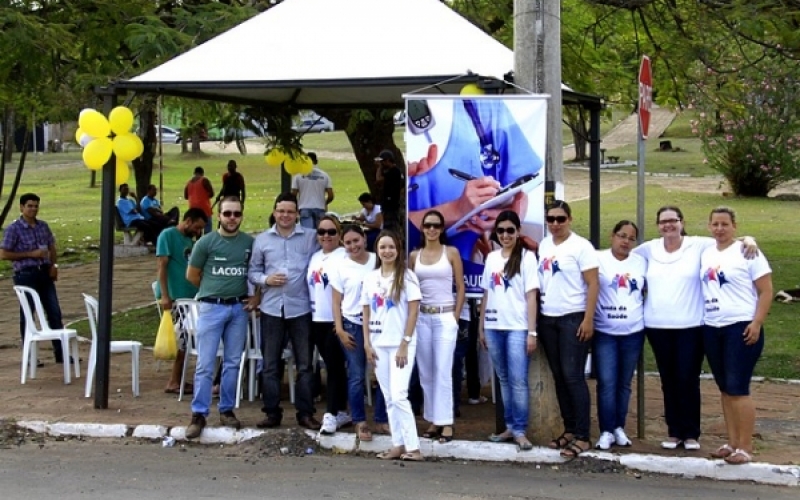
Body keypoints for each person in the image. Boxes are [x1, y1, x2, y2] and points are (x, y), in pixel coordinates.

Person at [633, 205, 757, 451]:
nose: (668, 225)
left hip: (692, 325)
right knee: (668, 380)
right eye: (663, 221)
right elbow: (620, 253)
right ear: (658, 225)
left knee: (688, 379)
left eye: (673, 220)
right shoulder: (648, 249)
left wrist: (749, 239)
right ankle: (674, 432)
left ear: (682, 222)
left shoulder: (698, 245)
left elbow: (726, 238)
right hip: (657, 326)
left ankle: (690, 433)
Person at [700, 207, 772, 464]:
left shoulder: (748, 252)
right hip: (712, 326)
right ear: (709, 227)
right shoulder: (706, 252)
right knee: (725, 389)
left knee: (738, 387)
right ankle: (731, 442)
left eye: (725, 224)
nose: (720, 229)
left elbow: (765, 291)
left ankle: (746, 446)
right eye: (715, 224)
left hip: (739, 326)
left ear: (734, 226)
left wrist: (757, 322)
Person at [185, 197, 257, 439]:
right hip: (211, 307)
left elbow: (256, 272)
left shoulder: (249, 242)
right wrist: (213, 290)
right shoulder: (206, 243)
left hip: (238, 308)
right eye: (227, 214)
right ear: (218, 215)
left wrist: (254, 296)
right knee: (205, 364)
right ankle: (199, 413)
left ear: (242, 216)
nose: (232, 218)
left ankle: (227, 409)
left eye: (236, 214)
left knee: (233, 362)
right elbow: (193, 275)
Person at [248, 192, 321, 430]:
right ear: (274, 212)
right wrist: (267, 280)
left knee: (305, 364)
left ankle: (305, 413)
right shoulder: (262, 240)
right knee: (270, 364)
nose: (285, 215)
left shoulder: (311, 238)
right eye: (281, 211)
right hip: (271, 308)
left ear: (297, 214)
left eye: (290, 211)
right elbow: (252, 272)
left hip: (301, 308)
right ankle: (271, 412)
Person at [537, 200, 599, 459]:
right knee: (559, 376)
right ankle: (570, 428)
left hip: (573, 317)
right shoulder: (544, 244)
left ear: (570, 219)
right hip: (548, 317)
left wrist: (588, 319)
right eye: (551, 219)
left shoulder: (581, 246)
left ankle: (584, 436)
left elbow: (593, 283)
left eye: (560, 219)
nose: (555, 224)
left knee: (574, 376)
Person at [479, 210, 539, 451]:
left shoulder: (527, 258)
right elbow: (486, 294)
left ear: (518, 232)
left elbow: (532, 296)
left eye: (510, 230)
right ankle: (510, 426)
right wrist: (482, 327)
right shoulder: (492, 258)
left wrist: (532, 332)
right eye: (500, 231)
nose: (505, 235)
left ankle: (520, 429)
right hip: (494, 327)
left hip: (517, 327)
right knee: (503, 379)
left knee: (518, 380)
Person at [363, 230, 424, 461]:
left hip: (401, 345)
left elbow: (413, 311)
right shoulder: (371, 278)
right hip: (379, 344)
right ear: (377, 251)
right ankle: (397, 444)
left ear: (398, 250)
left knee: (399, 395)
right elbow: (366, 311)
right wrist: (367, 344)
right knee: (388, 396)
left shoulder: (407, 277)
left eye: (391, 247)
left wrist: (404, 343)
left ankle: (414, 447)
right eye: (382, 247)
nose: (387, 251)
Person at [409, 209, 465, 443]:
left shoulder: (450, 253)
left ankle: (447, 422)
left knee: (443, 370)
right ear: (422, 229)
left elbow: (460, 286)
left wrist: (455, 316)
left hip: (445, 316)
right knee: (426, 372)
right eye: (428, 225)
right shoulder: (414, 256)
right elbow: (410, 290)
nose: (432, 229)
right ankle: (433, 420)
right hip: (422, 317)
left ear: (442, 229)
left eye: (436, 225)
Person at [330, 224, 389, 440]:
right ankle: (360, 421)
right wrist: (340, 329)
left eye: (356, 240)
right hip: (352, 324)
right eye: (348, 243)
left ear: (364, 238)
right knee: (356, 376)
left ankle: (382, 419)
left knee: (382, 374)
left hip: (378, 325)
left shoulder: (378, 259)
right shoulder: (341, 266)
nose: (353, 246)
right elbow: (336, 300)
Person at [592, 221, 646, 450]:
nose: (625, 241)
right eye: (621, 236)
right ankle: (605, 430)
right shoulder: (597, 258)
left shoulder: (641, 261)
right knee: (606, 382)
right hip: (605, 332)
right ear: (612, 235)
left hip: (633, 333)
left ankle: (618, 427)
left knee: (624, 383)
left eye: (631, 238)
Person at [0, 193, 66, 364]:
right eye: (29, 206)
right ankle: (30, 356)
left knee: (54, 312)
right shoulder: (14, 229)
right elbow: (4, 254)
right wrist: (30, 254)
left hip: (44, 272)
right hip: (26, 274)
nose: (33, 209)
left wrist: (53, 266)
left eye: (36, 206)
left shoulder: (42, 226)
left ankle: (61, 353)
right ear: (22, 207)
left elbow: (52, 247)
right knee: (28, 314)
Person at [155, 208, 208, 394]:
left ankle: (180, 378)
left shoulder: (189, 242)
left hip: (190, 297)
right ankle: (173, 380)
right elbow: (162, 265)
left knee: (188, 338)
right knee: (183, 339)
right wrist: (165, 295)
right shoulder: (167, 235)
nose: (198, 231)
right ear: (188, 221)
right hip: (175, 296)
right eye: (197, 226)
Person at [306, 215, 351, 434]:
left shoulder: (344, 256)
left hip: (336, 320)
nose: (326, 236)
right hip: (316, 319)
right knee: (331, 366)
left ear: (339, 234)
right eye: (322, 232)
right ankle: (341, 409)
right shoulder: (315, 257)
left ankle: (332, 412)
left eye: (332, 232)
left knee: (334, 367)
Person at [291, 152, 334, 229]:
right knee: (320, 234)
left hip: (304, 207)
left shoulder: (298, 176)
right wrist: (325, 203)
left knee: (308, 235)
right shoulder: (325, 175)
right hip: (320, 208)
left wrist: (297, 205)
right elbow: (331, 195)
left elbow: (293, 195)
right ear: (316, 161)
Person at [374, 150, 404, 233]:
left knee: (391, 227)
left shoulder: (394, 171)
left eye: (382, 162)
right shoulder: (393, 171)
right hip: (389, 204)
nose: (381, 164)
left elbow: (379, 179)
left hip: (391, 205)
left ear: (387, 160)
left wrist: (379, 168)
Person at [184, 166, 215, 234]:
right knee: (207, 228)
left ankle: (198, 242)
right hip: (204, 208)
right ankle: (207, 243)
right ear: (202, 173)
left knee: (197, 228)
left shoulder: (189, 182)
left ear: (194, 173)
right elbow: (212, 193)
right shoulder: (204, 180)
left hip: (193, 209)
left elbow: (186, 196)